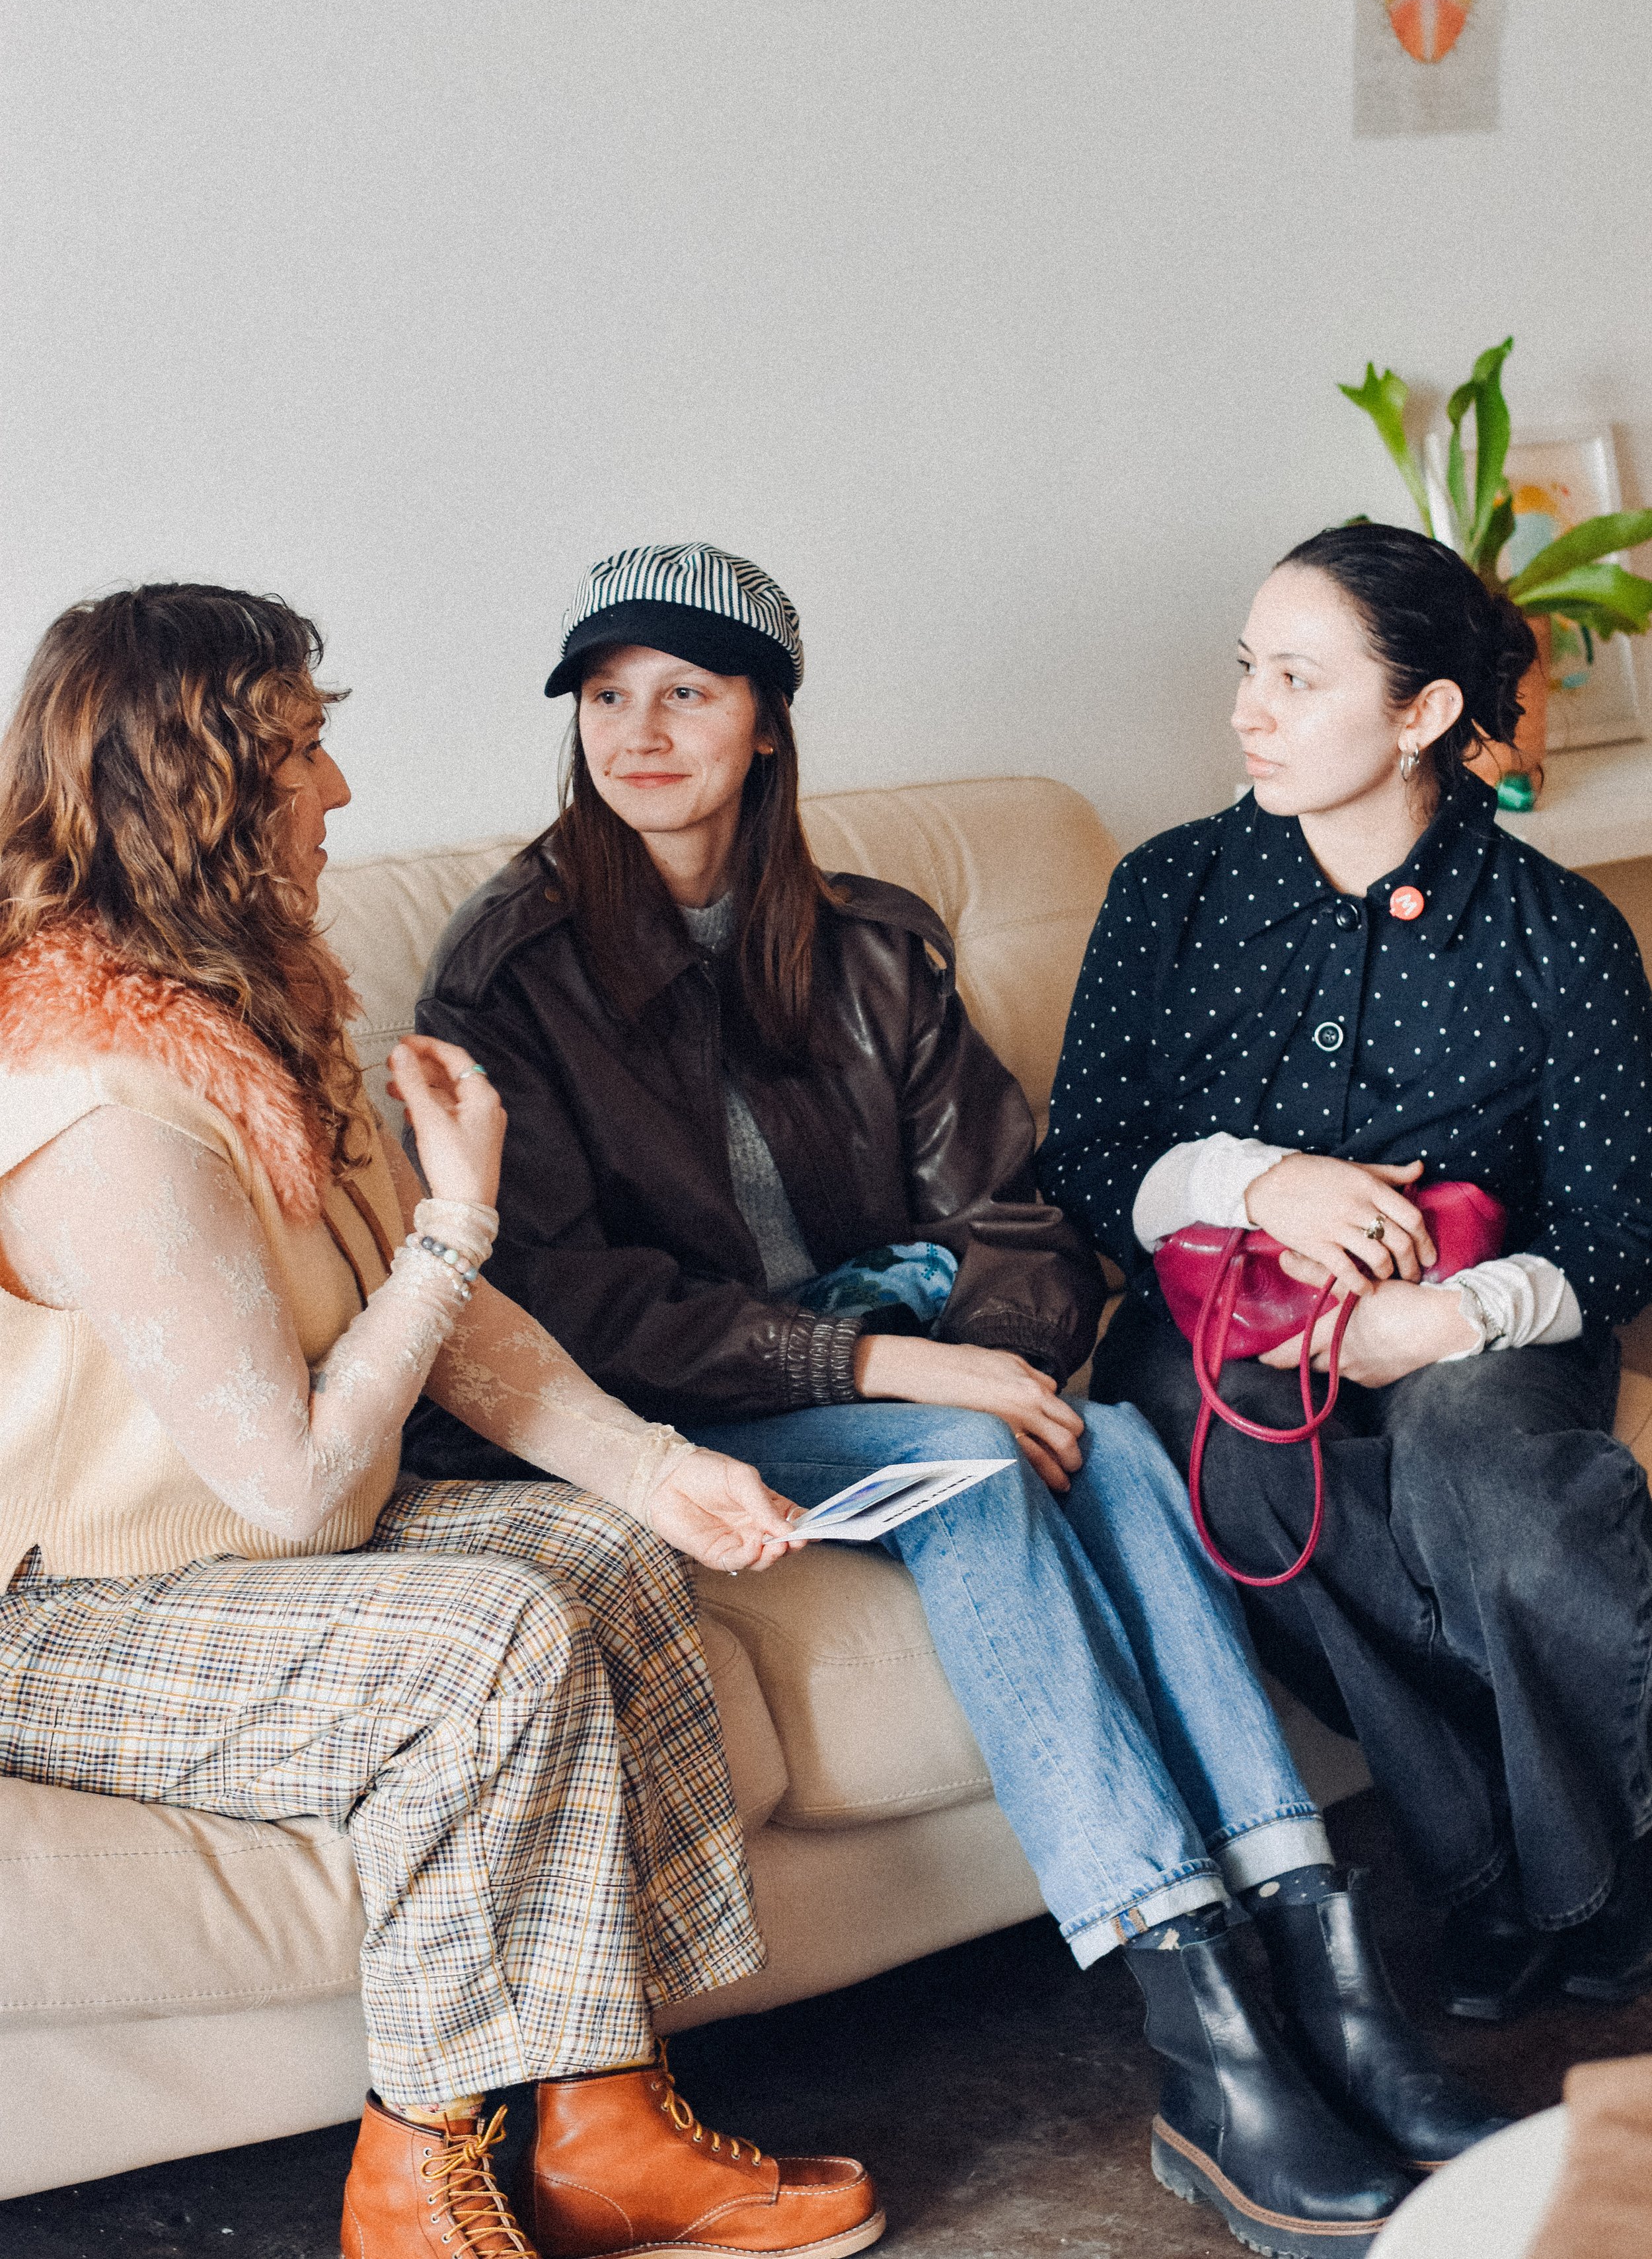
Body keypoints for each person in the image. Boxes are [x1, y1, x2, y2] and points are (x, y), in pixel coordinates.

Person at [414, 540, 1505, 2259]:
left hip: (911, 1354)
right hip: (687, 1394)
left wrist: (999, 1349)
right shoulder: (512, 971)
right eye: (605, 695)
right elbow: (562, 1300)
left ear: (764, 720)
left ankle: (1318, 1967)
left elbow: (1014, 1199)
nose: (639, 728)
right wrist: (892, 1364)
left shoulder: (866, 942)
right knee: (967, 1467)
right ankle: (1201, 2039)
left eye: (685, 690)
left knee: (1121, 1438)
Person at [0, 584, 887, 2259]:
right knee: (478, 1642)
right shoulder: (89, 1088)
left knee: (599, 1557)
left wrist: (660, 1469)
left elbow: (435, 1327)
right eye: (305, 752)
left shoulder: (243, 999)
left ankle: (603, 2123)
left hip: (213, 1544)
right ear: (201, 782)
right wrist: (454, 1214)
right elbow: (309, 1498)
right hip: (58, 1607)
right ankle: (411, 2174)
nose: (337, 793)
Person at [1040, 520, 1652, 2034]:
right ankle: (1480, 1873)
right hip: (1217, 1326)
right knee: (1227, 1461)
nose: (1247, 709)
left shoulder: (1555, 936)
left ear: (1421, 714)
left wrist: (1436, 1318)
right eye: (1248, 670)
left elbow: (1612, 1237)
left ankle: (1583, 1885)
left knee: (1491, 1481)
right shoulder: (1167, 891)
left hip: (1483, 1323)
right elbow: (1085, 1164)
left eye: (1296, 678)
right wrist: (1257, 1179)